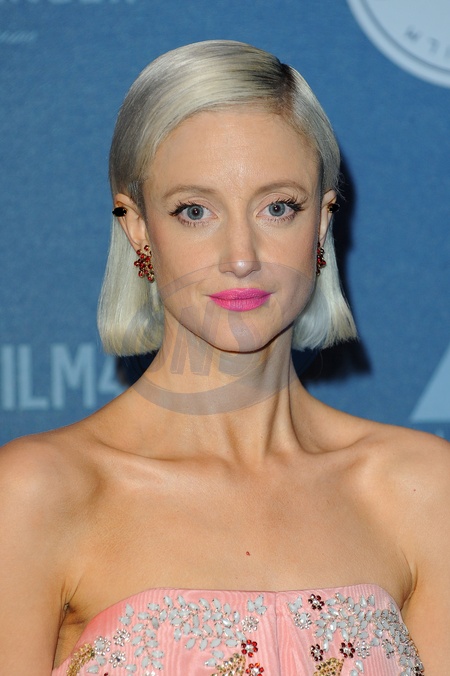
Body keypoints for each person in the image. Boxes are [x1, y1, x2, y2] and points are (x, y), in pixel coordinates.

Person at [1, 40, 448, 675]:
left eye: (278, 207)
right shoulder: (38, 494)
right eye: (195, 211)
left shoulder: (421, 489)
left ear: (322, 221)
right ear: (137, 228)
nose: (241, 256)